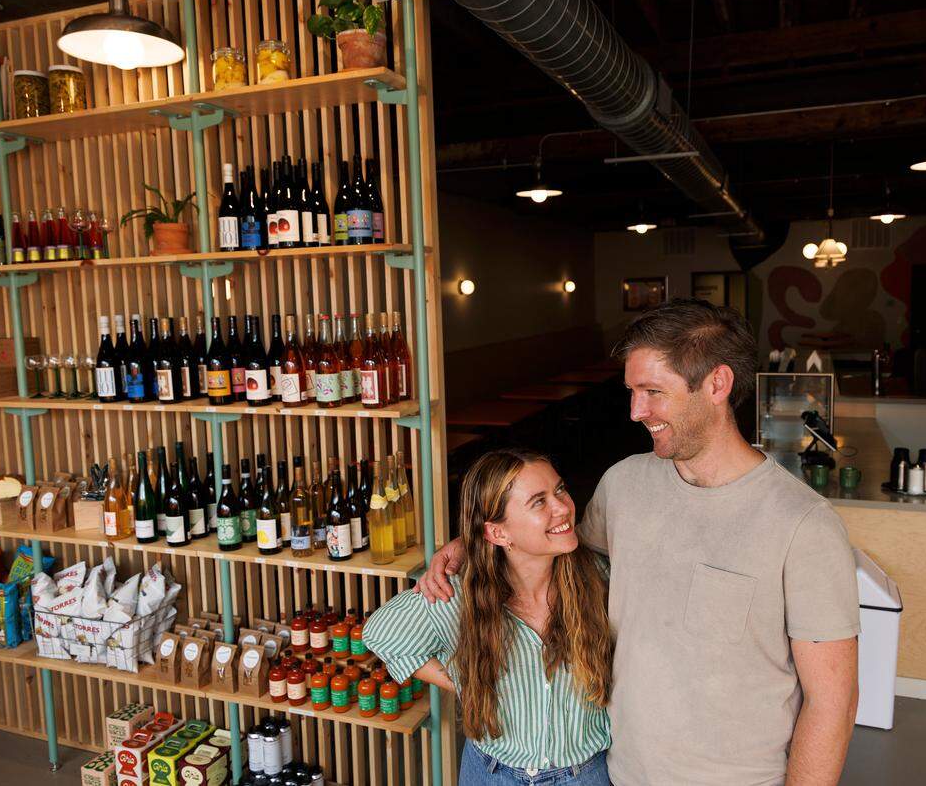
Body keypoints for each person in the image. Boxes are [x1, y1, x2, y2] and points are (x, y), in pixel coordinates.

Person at [417, 299, 861, 786]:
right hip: (618, 771)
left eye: (652, 392)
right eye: (631, 392)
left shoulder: (804, 525)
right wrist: (474, 542)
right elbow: (555, 548)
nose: (635, 412)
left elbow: (831, 704)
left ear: (717, 384)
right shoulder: (624, 484)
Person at [363, 448, 613, 786]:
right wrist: (467, 679)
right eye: (539, 502)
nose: (563, 506)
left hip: (585, 775)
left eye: (559, 489)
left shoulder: (599, 578)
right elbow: (381, 633)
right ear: (497, 533)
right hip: (493, 774)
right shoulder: (459, 595)